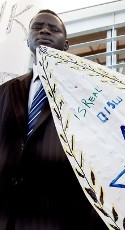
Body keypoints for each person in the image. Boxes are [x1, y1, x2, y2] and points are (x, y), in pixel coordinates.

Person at [0, 10, 108, 229]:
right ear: (27, 39)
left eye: (53, 28)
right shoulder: (4, 92)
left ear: (66, 45)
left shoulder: (85, 92)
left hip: (58, 216)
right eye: (37, 26)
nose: (45, 30)